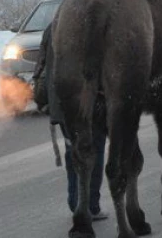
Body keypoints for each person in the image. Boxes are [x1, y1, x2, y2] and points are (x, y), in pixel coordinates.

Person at [32, 21, 109, 221]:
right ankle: (90, 204)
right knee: (93, 151)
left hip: (61, 104)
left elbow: (40, 66)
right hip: (89, 103)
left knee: (73, 151)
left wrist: (45, 99)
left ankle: (75, 201)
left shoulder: (52, 27)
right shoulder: (91, 25)